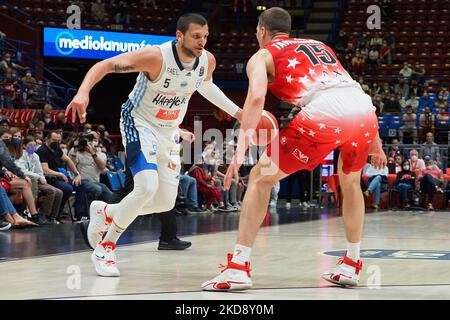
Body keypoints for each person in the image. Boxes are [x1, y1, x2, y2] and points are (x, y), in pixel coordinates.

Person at [202, 7, 386, 291]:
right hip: (363, 111)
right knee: (350, 183)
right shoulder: (320, 45)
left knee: (260, 178)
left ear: (262, 31)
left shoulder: (262, 55)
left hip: (326, 111)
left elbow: (256, 99)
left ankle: (238, 267)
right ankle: (352, 263)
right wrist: (376, 142)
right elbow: (350, 86)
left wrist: (239, 155)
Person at [66, 13, 243, 277]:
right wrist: (82, 93)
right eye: (196, 36)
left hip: (168, 131)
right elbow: (104, 65)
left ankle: (106, 211)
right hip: (139, 122)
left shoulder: (207, 60)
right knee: (146, 186)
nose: (202, 42)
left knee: (163, 202)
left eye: (205, 36)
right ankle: (106, 247)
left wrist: (239, 113)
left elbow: (205, 86)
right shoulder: (155, 57)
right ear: (179, 35)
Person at [14, 135, 64, 223]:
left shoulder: (36, 156)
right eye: (30, 145)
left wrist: (42, 177)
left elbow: (40, 171)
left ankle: (52, 217)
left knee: (59, 192)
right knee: (51, 191)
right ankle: (42, 215)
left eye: (34, 145)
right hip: (27, 180)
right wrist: (38, 176)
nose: (32, 147)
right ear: (24, 146)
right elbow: (23, 171)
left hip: (37, 180)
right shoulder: (21, 155)